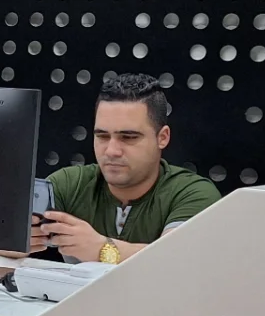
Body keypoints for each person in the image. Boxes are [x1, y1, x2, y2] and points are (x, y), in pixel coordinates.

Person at [17, 71, 220, 264]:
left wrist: (101, 249)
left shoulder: (194, 193)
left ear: (162, 137)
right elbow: (4, 261)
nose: (112, 150)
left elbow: (176, 260)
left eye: (128, 137)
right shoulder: (70, 184)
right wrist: (12, 244)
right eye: (102, 136)